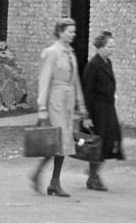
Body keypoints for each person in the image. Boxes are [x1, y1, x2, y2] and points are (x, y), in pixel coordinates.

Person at [30, 18, 91, 197]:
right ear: (60, 31)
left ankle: (50, 181)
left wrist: (82, 105)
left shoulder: (71, 53)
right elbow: (44, 81)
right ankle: (44, 177)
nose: (73, 34)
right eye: (70, 31)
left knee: (63, 143)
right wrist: (42, 108)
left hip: (68, 103)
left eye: (74, 31)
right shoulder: (52, 52)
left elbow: (76, 82)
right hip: (55, 102)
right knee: (58, 141)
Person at [81, 30, 125, 191]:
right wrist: (86, 116)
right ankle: (93, 177)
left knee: (113, 139)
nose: (112, 49)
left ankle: (93, 172)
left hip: (108, 108)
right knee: (98, 144)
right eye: (109, 46)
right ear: (101, 46)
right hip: (97, 110)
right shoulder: (93, 65)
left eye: (113, 46)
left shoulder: (108, 62)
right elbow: (87, 91)